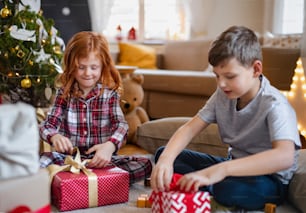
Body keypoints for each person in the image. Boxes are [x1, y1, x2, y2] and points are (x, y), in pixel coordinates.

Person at [150, 26, 301, 210]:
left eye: (230, 76)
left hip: (269, 180)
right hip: (231, 166)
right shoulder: (223, 94)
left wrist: (219, 171)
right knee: (164, 154)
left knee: (226, 189)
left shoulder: (275, 104)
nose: (221, 84)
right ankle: (201, 185)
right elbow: (190, 128)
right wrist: (167, 159)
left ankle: (202, 186)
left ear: (255, 69)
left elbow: (284, 157)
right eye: (217, 76)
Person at [39, 31, 152, 184]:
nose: (87, 73)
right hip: (69, 160)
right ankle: (97, 182)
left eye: (93, 67)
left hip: (102, 161)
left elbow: (121, 126)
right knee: (40, 162)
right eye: (81, 67)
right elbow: (47, 125)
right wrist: (55, 136)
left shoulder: (109, 94)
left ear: (102, 67)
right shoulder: (64, 94)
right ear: (72, 66)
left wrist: (110, 146)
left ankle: (77, 182)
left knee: (144, 165)